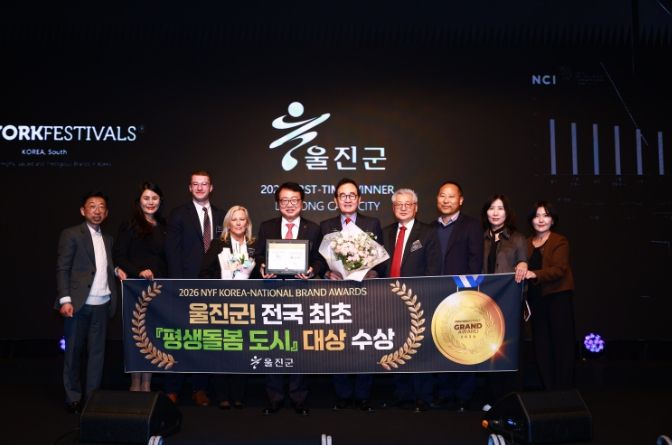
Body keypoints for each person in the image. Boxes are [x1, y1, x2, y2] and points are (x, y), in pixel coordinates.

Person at [255, 182, 324, 416]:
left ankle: (298, 397)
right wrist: (263, 266)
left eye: (294, 200)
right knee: (273, 344)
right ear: (278, 204)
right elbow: (258, 255)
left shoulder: (313, 228)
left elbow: (320, 260)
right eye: (284, 200)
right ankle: (274, 397)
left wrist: (312, 270)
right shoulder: (266, 227)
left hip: (301, 294)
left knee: (299, 345)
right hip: (272, 293)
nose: (290, 205)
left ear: (302, 203)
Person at [55, 191, 127, 414]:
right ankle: (73, 397)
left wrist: (116, 269)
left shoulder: (108, 239)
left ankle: (92, 398)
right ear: (83, 210)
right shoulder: (71, 234)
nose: (97, 211)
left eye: (101, 207)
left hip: (102, 305)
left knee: (97, 355)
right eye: (92, 206)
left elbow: (104, 263)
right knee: (73, 352)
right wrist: (65, 299)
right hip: (77, 305)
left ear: (107, 213)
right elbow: (63, 268)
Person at [320, 178, 383, 413]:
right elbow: (318, 260)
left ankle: (363, 395)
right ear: (335, 200)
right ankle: (343, 394)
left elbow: (381, 258)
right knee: (339, 343)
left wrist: (374, 272)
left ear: (359, 199)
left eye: (352, 195)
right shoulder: (325, 226)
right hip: (336, 295)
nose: (347, 199)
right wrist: (326, 272)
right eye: (342, 195)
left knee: (364, 342)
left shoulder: (372, 223)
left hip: (365, 294)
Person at [164, 170, 225, 406]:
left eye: (204, 184)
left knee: (204, 339)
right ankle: (172, 388)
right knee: (180, 338)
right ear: (190, 188)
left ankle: (200, 388)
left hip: (212, 287)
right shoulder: (179, 214)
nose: (200, 188)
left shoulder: (221, 215)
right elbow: (172, 252)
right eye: (195, 184)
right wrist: (179, 285)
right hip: (184, 285)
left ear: (211, 187)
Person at [381, 188, 441, 413]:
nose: (403, 208)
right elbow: (381, 266)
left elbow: (434, 268)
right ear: (393, 208)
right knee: (397, 347)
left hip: (419, 300)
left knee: (419, 349)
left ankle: (422, 396)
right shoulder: (386, 232)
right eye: (399, 204)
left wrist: (423, 295)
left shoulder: (428, 232)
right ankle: (402, 394)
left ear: (416, 207)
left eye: (408, 204)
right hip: (390, 300)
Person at [199, 205, 257, 409]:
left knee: (242, 349)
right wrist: (220, 285)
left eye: (242, 219)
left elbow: (259, 275)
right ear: (228, 224)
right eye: (235, 219)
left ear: (247, 223)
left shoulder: (254, 245)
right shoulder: (218, 244)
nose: (239, 223)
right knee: (222, 348)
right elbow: (204, 272)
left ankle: (238, 395)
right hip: (221, 304)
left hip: (246, 306)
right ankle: (222, 395)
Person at [433, 181, 484, 411]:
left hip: (463, 294)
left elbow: (475, 260)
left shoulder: (471, 225)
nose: (446, 200)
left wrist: (469, 293)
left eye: (451, 196)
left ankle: (464, 395)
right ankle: (444, 393)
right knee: (441, 343)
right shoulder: (430, 227)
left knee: (464, 344)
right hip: (436, 295)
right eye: (442, 196)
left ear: (460, 200)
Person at [113, 182, 168, 392]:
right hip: (136, 289)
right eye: (146, 198)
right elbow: (119, 255)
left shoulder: (163, 225)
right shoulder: (130, 224)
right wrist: (138, 271)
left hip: (158, 289)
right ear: (139, 201)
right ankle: (135, 383)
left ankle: (147, 384)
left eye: (154, 198)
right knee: (137, 335)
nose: (150, 202)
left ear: (160, 201)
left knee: (152, 337)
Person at [480, 194, 527, 408]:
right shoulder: (481, 238)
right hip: (485, 304)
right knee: (490, 352)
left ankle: (512, 400)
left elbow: (523, 264)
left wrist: (523, 264)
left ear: (507, 213)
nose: (496, 213)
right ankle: (494, 399)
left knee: (509, 352)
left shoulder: (517, 239)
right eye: (492, 208)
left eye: (500, 208)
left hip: (510, 305)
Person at [524, 201, 576, 390]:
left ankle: (563, 389)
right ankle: (548, 387)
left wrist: (534, 274)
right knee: (541, 344)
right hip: (536, 300)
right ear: (531, 220)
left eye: (546, 215)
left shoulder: (559, 241)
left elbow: (559, 269)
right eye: (537, 216)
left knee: (562, 344)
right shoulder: (526, 243)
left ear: (552, 220)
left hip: (557, 298)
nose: (541, 220)